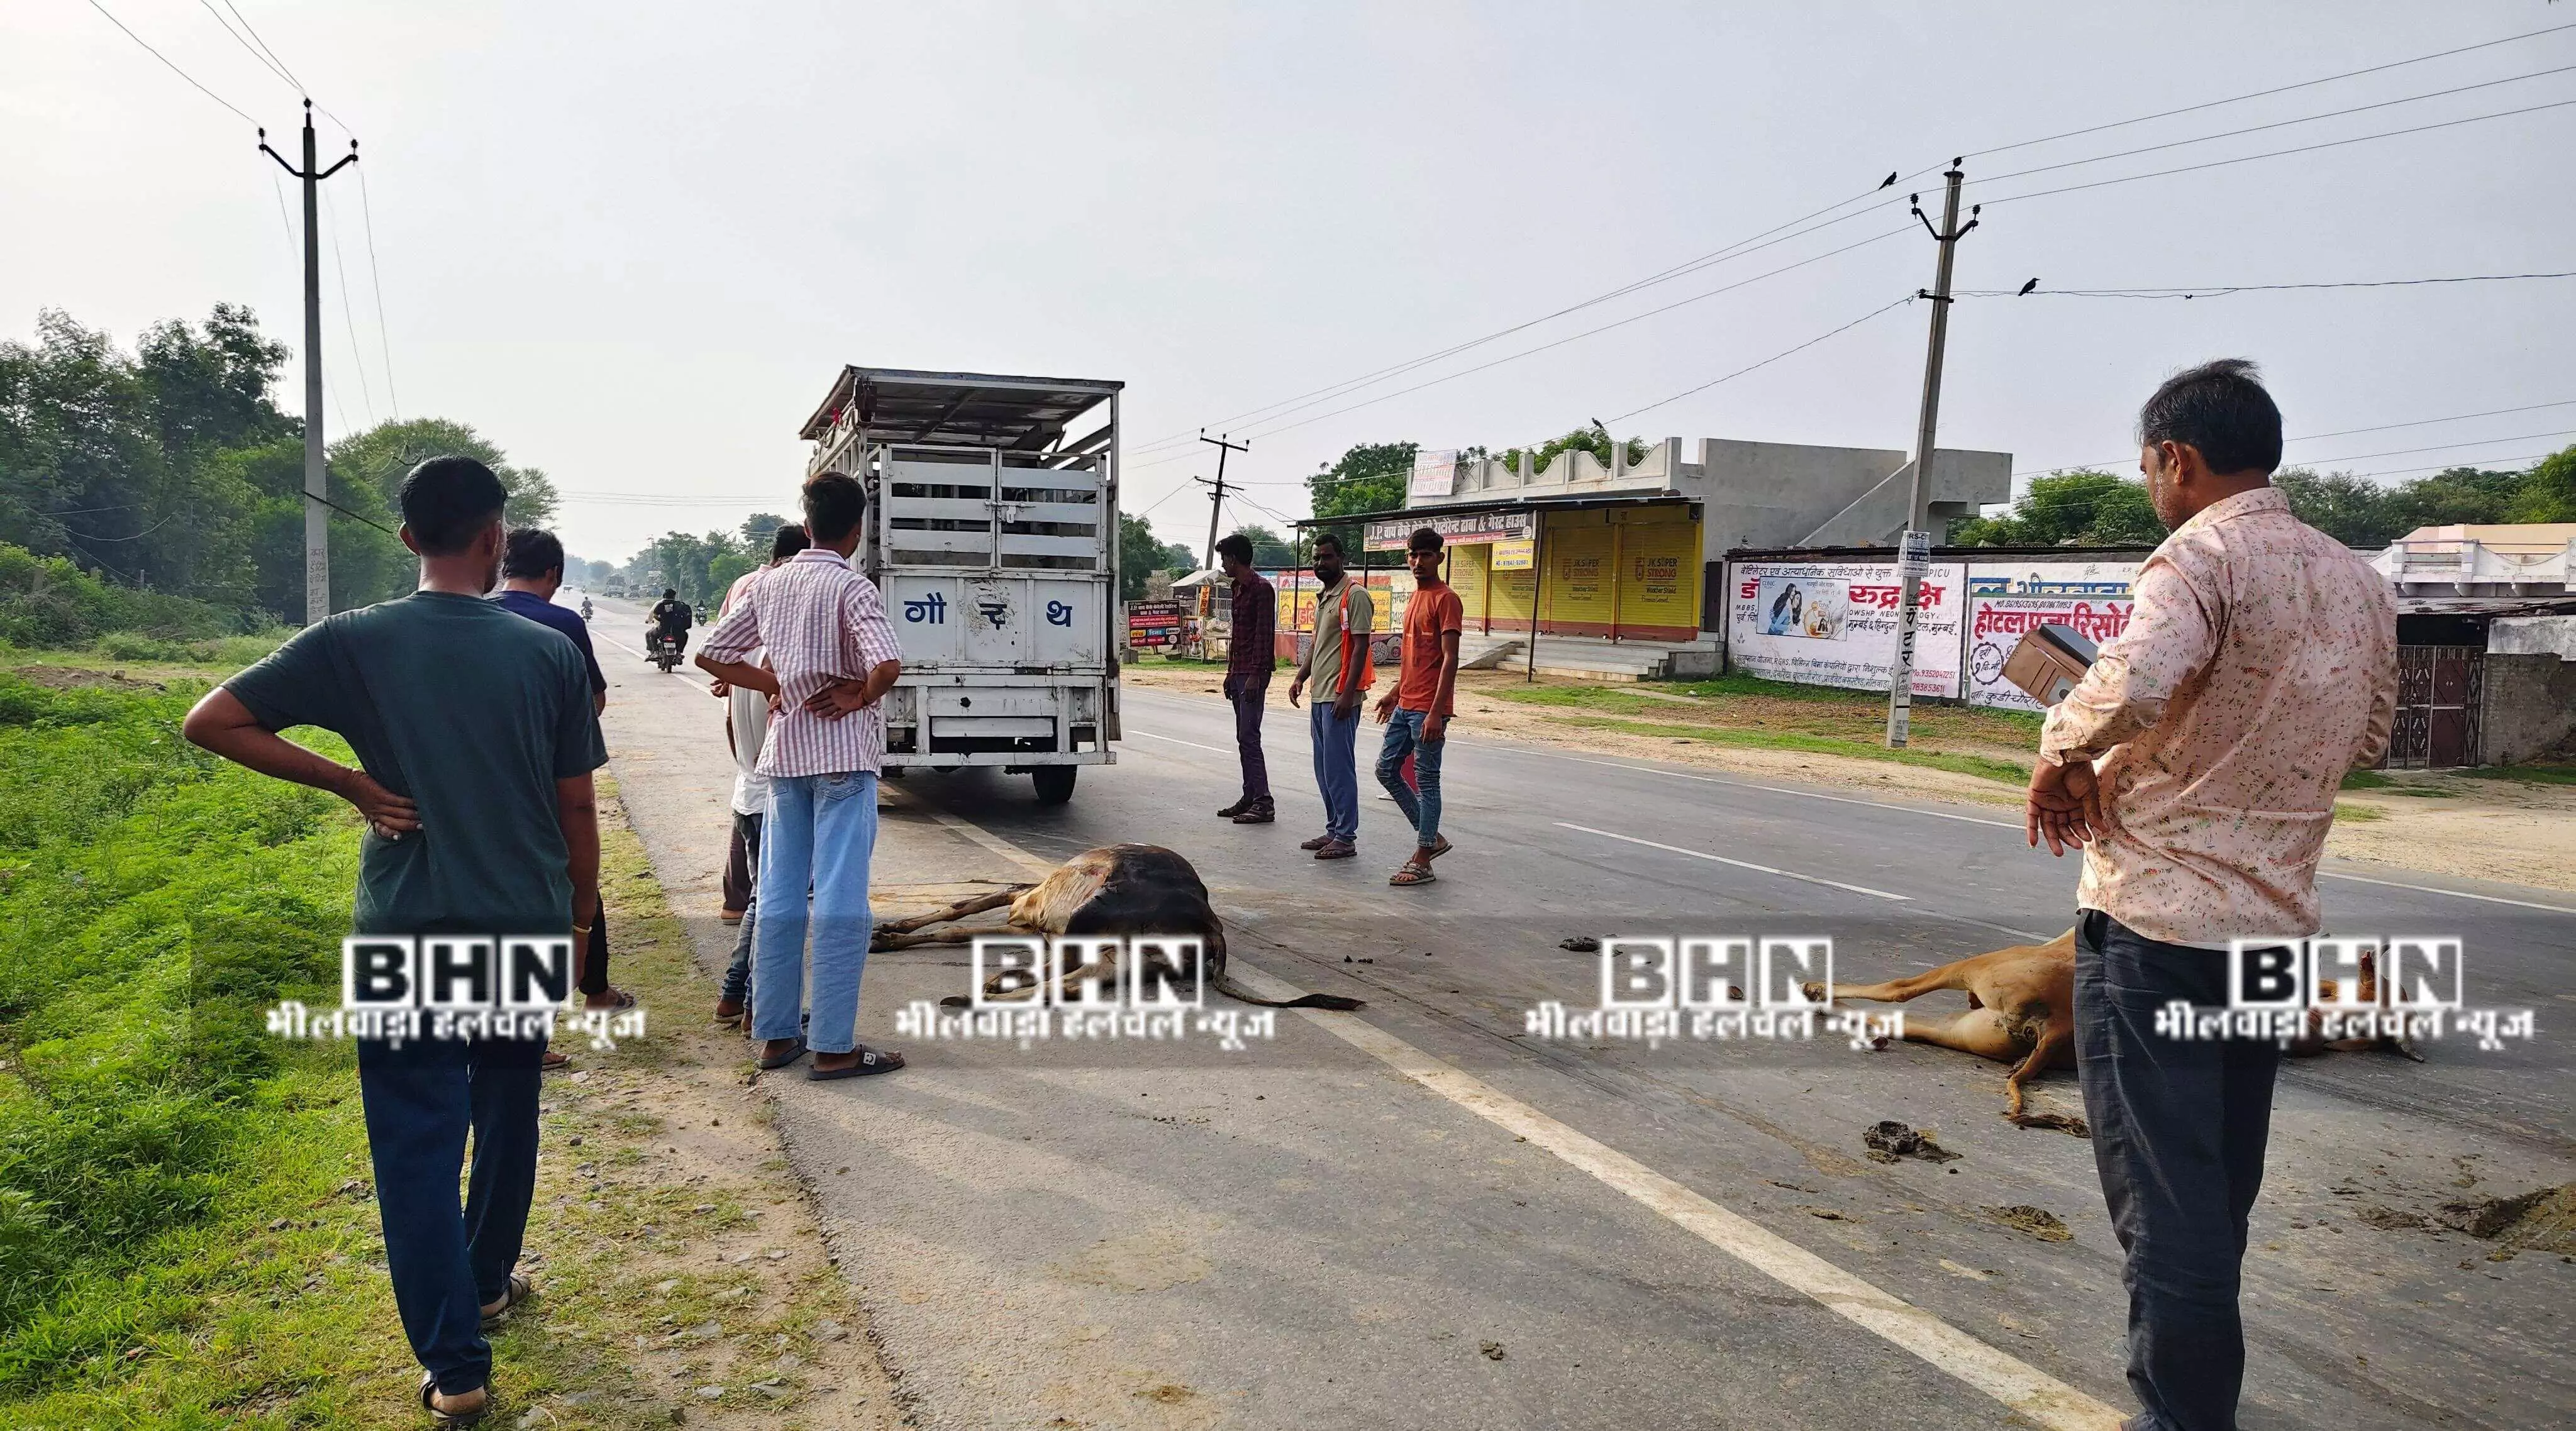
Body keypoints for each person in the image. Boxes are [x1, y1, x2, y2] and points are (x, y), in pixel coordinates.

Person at [180, 456, 605, 1422]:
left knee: (414, 1146)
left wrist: (350, 784)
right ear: (496, 538)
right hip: (519, 922)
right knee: (506, 1109)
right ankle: (491, 1279)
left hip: (407, 930)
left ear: (409, 539)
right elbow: (575, 802)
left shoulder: (352, 642)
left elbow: (212, 720)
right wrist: (580, 921)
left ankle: (457, 1371)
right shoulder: (548, 655)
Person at [2024, 360, 2396, 1431]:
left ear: (2176, 460)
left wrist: (2061, 746)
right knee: (2215, 1197)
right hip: (2273, 933)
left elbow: (2133, 680)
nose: (2150, 484)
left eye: (2148, 466)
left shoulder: (2199, 557)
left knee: (2167, 1210)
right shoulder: (2357, 580)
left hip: (2155, 927)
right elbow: (2364, 738)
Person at [696, 474, 906, 1079]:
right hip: (843, 760)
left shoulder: (769, 584)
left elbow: (711, 654)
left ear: (807, 523)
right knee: (841, 901)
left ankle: (774, 1035)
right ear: (856, 531)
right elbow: (887, 665)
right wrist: (858, 695)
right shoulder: (852, 588)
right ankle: (835, 1046)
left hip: (784, 762)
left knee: (781, 897)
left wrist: (775, 685)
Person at [493, 528, 633, 1042]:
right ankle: (570, 1007)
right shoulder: (563, 622)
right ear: (553, 574)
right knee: (576, 879)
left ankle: (546, 1012)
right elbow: (592, 701)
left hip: (484, 782)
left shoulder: (478, 612)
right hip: (552, 781)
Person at [712, 523, 811, 1020]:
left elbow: (733, 727)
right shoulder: (778, 655)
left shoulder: (741, 657)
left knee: (766, 899)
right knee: (775, 904)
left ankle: (738, 997)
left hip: (749, 787)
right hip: (774, 795)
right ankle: (749, 1000)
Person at [1373, 527, 1463, 887]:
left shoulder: (1446, 599)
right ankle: (1432, 837)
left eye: (1425, 555)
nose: (1417, 561)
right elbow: (1415, 660)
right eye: (1412, 555)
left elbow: (1450, 660)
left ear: (1439, 558)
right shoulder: (1415, 599)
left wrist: (1436, 712)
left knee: (1427, 781)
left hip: (1428, 709)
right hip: (1405, 703)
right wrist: (1395, 693)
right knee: (1386, 770)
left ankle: (1424, 857)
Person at [1286, 532, 1372, 859]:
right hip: (1319, 695)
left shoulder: (1355, 596)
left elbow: (1362, 647)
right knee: (1323, 768)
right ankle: (1334, 829)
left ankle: (1346, 836)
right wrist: (1299, 678)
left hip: (1340, 697)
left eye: (1326, 557)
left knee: (1339, 768)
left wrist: (1347, 694)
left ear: (1342, 559)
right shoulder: (1326, 598)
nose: (1320, 563)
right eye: (1316, 558)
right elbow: (1319, 645)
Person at [1214, 533, 1278, 824]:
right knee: (1243, 738)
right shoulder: (1237, 589)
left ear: (1234, 558)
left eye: (1225, 558)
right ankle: (1250, 794)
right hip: (1239, 672)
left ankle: (1264, 801)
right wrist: (1230, 673)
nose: (1223, 564)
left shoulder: (1261, 589)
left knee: (1250, 737)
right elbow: (1238, 636)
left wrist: (1255, 675)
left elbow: (1264, 637)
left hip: (1253, 674)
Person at [647, 587, 692, 660]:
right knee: (685, 635)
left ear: (664, 596)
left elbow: (655, 614)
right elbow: (685, 616)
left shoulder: (661, 604)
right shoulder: (679, 605)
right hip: (677, 631)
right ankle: (678, 653)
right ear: (674, 596)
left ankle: (656, 652)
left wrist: (660, 619)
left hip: (663, 630)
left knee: (652, 634)